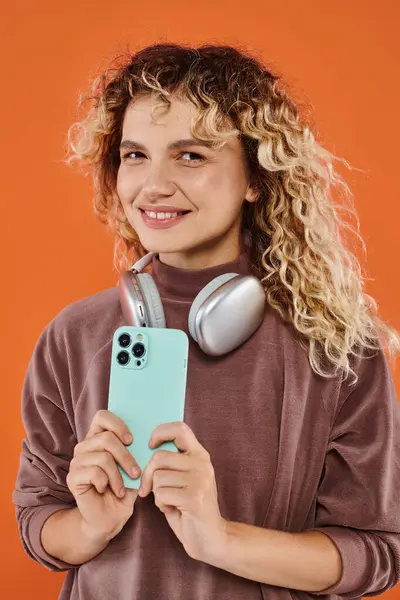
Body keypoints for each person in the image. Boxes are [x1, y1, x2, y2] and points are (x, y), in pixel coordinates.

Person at [13, 42, 400, 600]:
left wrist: (219, 539)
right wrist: (92, 525)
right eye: (135, 154)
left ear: (255, 178)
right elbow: (38, 522)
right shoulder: (73, 337)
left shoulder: (336, 345)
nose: (154, 185)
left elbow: (377, 553)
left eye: (191, 156)